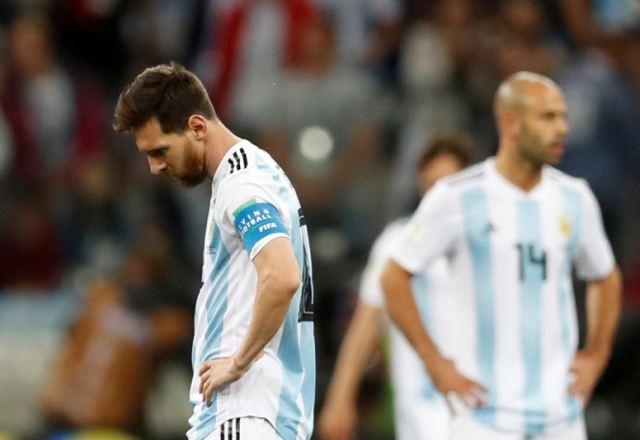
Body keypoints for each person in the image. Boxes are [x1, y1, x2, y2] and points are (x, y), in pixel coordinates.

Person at [381, 71, 622, 440]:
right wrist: (435, 362)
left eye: (562, 117)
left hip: (562, 418)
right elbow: (393, 275)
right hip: (483, 419)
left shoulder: (575, 198)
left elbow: (605, 275)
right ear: (511, 123)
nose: (562, 128)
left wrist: (596, 356)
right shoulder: (457, 197)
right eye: (547, 117)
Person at [114, 62, 315, 440]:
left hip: (243, 411)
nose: (155, 167)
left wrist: (238, 362)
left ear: (197, 127)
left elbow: (283, 275)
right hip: (256, 414)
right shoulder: (255, 170)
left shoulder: (242, 184)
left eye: (160, 150)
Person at [317, 132, 473, 440]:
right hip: (420, 408)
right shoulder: (397, 243)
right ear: (421, 186)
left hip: (480, 406)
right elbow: (366, 324)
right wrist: (340, 398)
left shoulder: (487, 244)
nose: (439, 196)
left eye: (449, 184)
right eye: (432, 185)